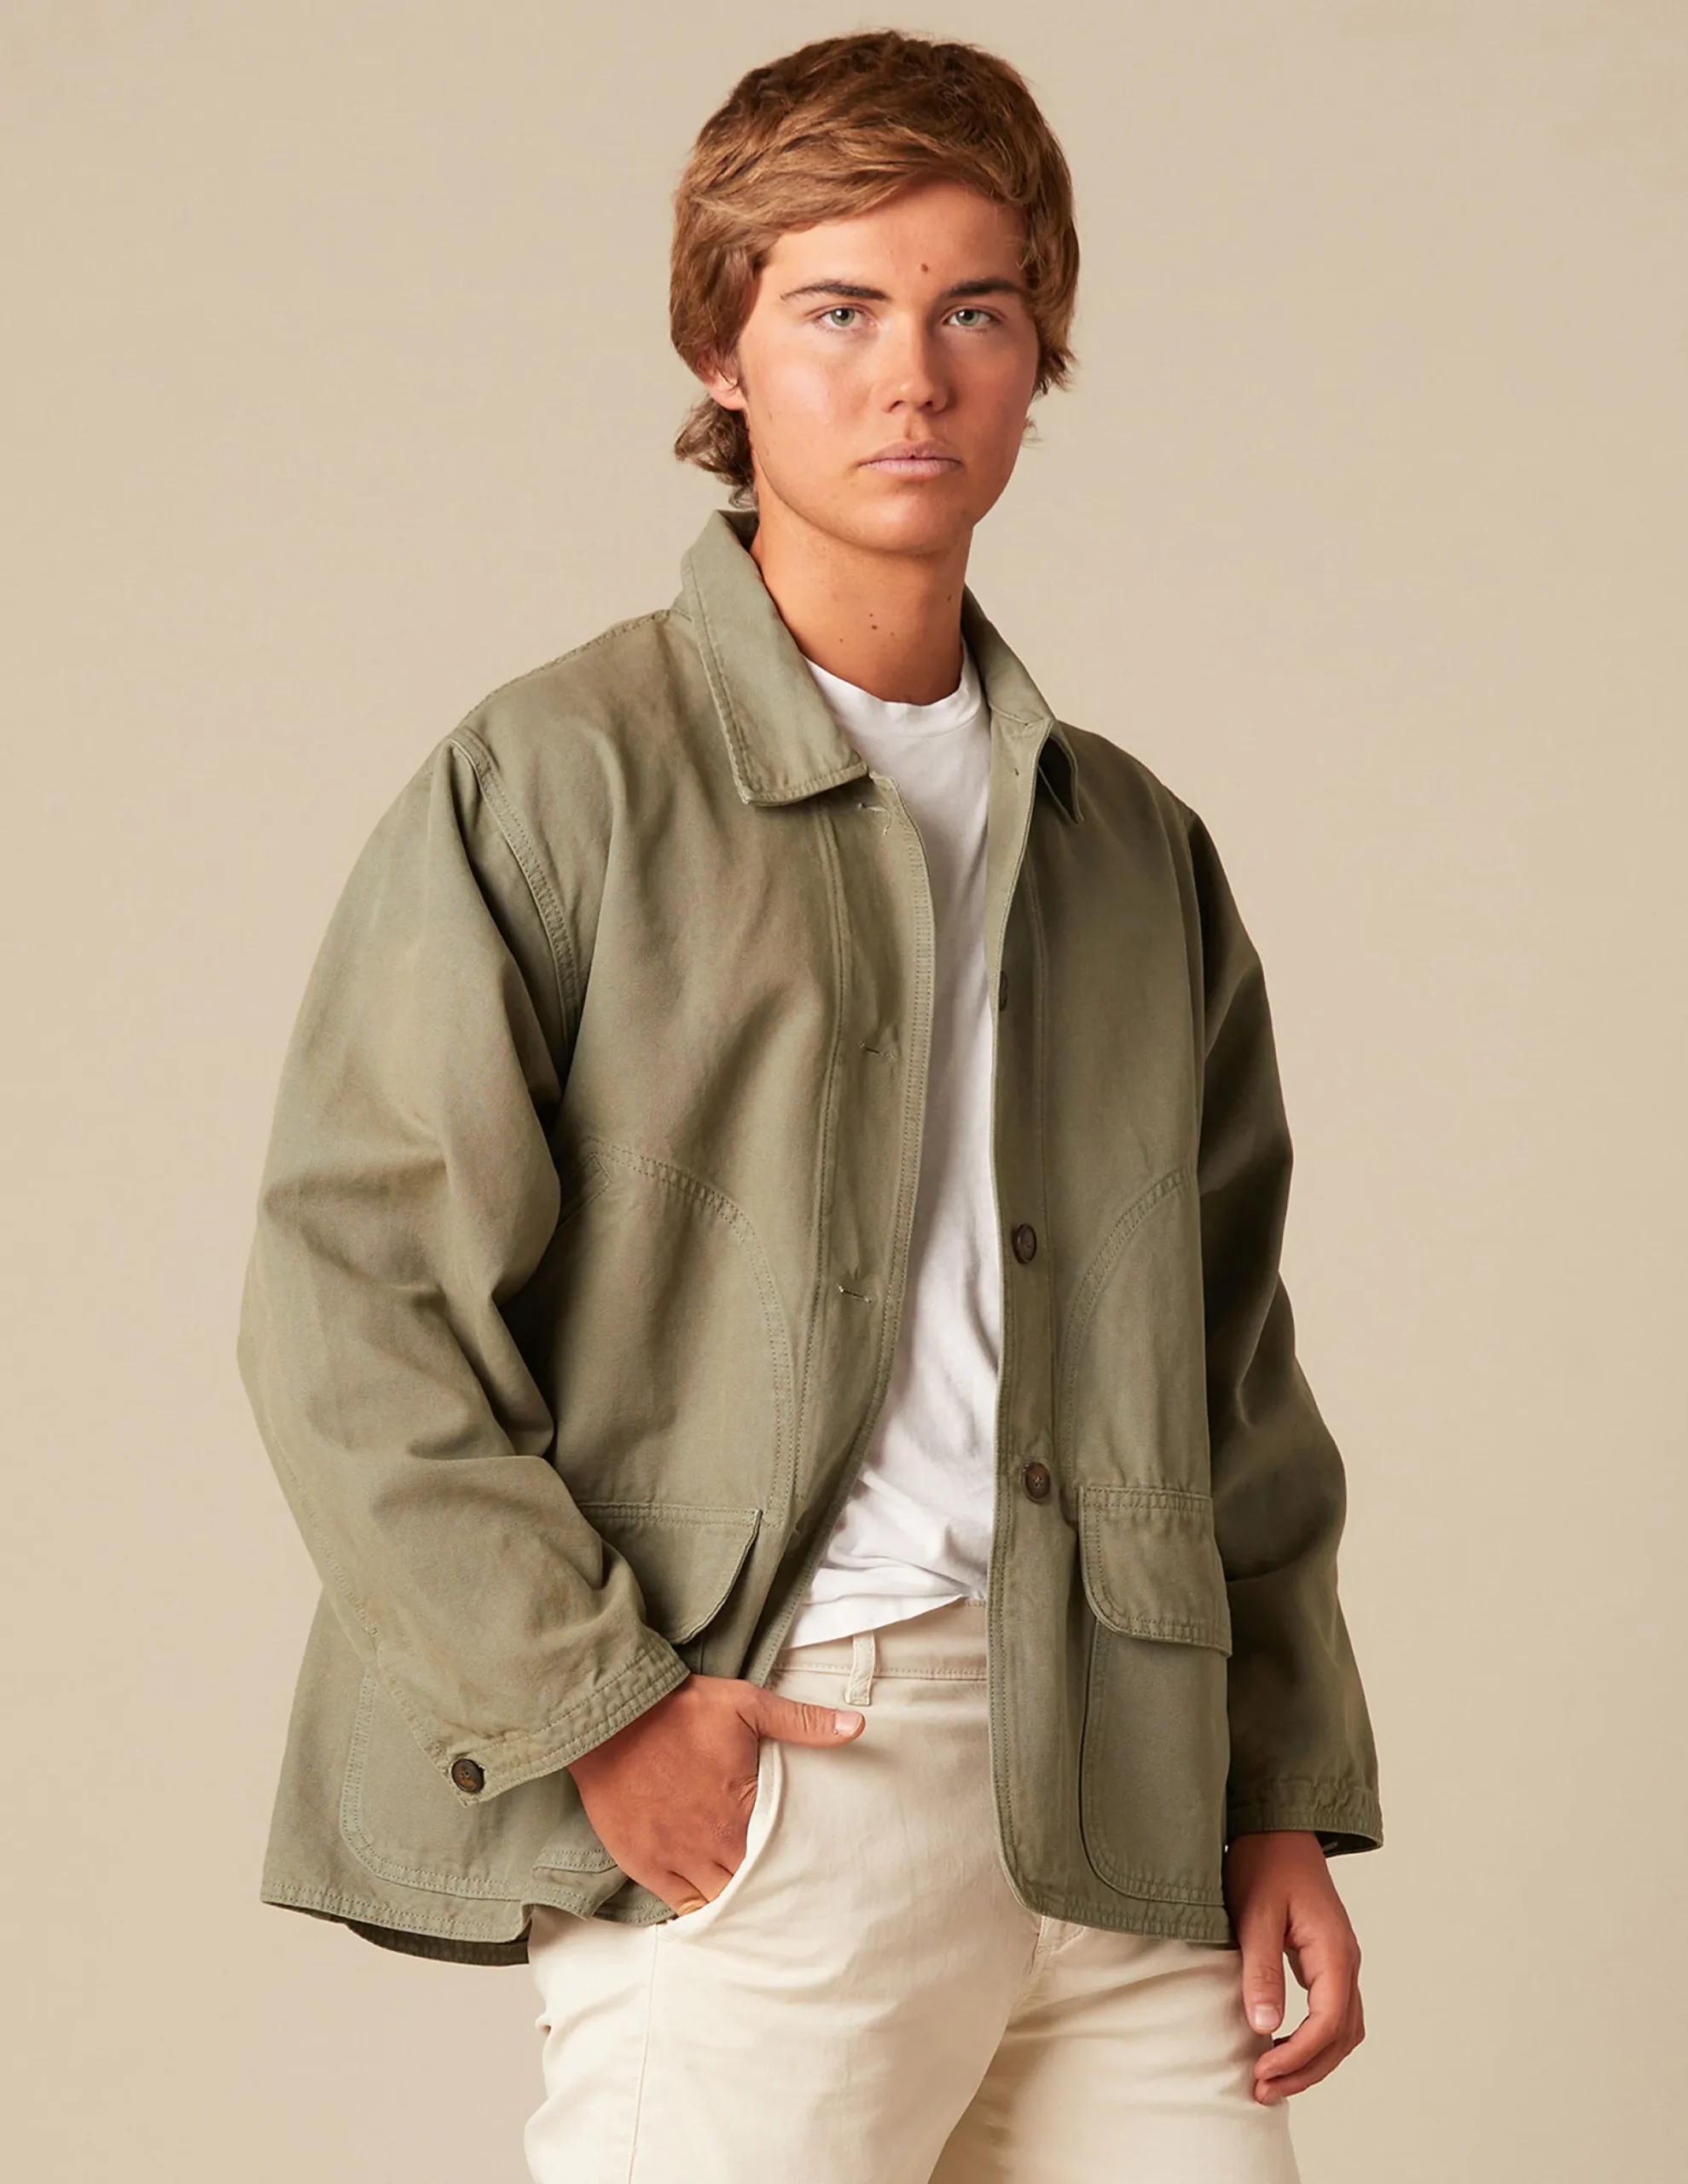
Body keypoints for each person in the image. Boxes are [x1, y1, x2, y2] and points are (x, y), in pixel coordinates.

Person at [236, 29, 1383, 2184]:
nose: (911, 378)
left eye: (973, 311)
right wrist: (601, 1710)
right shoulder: (557, 782)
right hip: (788, 1771)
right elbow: (353, 1305)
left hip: (1119, 1796)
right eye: (837, 310)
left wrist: (1274, 1793)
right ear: (721, 350)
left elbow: (1230, 1364)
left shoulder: (1130, 851)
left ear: (1037, 355)